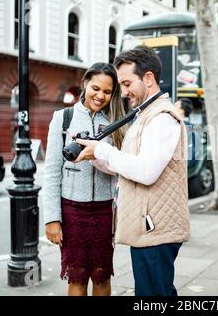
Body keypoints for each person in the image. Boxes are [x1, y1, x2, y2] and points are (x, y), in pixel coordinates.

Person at [74, 45, 190, 296]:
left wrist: (103, 151)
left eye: (127, 83)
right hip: (149, 227)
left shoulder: (161, 118)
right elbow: (129, 163)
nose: (123, 91)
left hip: (156, 230)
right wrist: (94, 156)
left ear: (148, 79)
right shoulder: (146, 114)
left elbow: (147, 171)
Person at [43, 62, 126, 296]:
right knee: (77, 277)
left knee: (101, 275)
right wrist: (52, 219)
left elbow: (122, 167)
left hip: (104, 211)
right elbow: (51, 171)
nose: (100, 96)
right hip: (72, 211)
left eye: (108, 92)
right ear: (85, 84)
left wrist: (101, 156)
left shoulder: (116, 121)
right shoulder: (63, 118)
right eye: (96, 88)